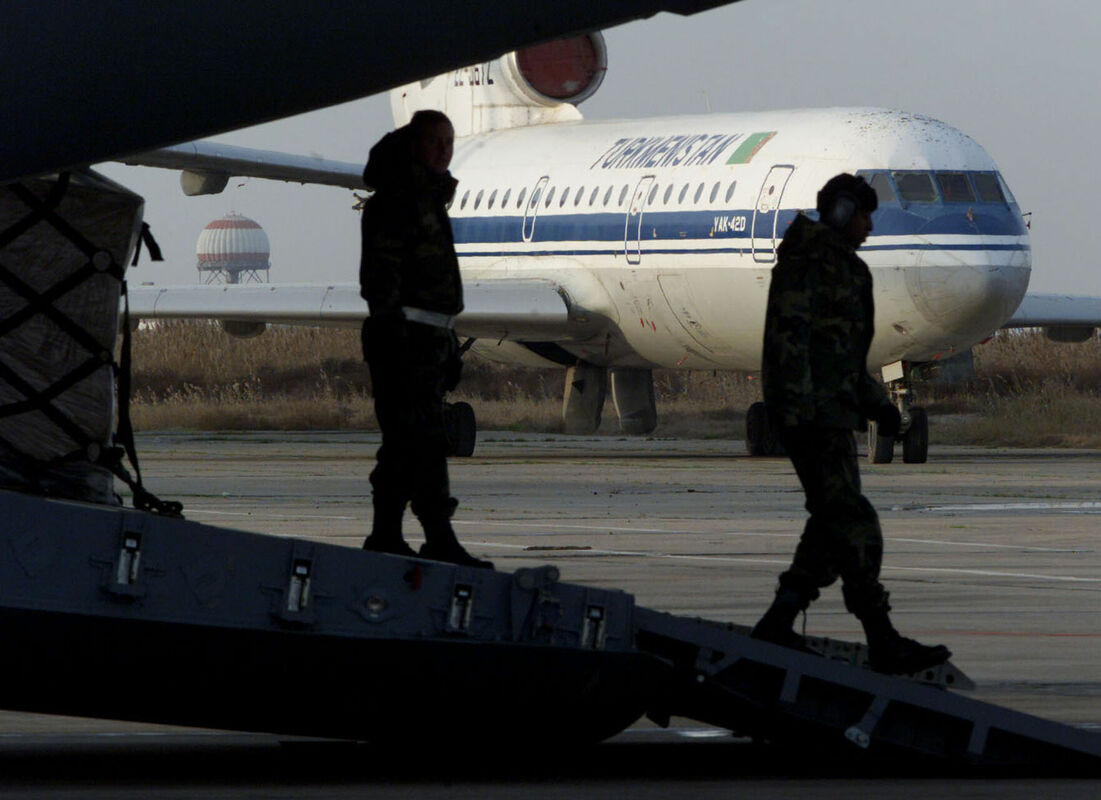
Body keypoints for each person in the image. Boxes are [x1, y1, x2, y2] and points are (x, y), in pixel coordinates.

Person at [751, 173, 949, 675]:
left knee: (829, 525)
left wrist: (877, 404)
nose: (870, 225)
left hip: (831, 413)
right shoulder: (809, 267)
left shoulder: (840, 267)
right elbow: (790, 345)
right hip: (813, 418)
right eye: (864, 215)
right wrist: (794, 415)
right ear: (841, 213)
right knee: (855, 524)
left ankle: (779, 622)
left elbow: (840, 356)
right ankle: (881, 639)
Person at [358, 109, 492, 569]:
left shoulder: (428, 200)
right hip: (404, 341)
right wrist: (401, 340)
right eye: (434, 142)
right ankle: (436, 535)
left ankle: (388, 535)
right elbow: (380, 279)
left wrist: (446, 343)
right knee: (422, 442)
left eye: (449, 143)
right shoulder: (396, 202)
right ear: (415, 145)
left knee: (407, 443)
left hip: (429, 338)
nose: (444, 151)